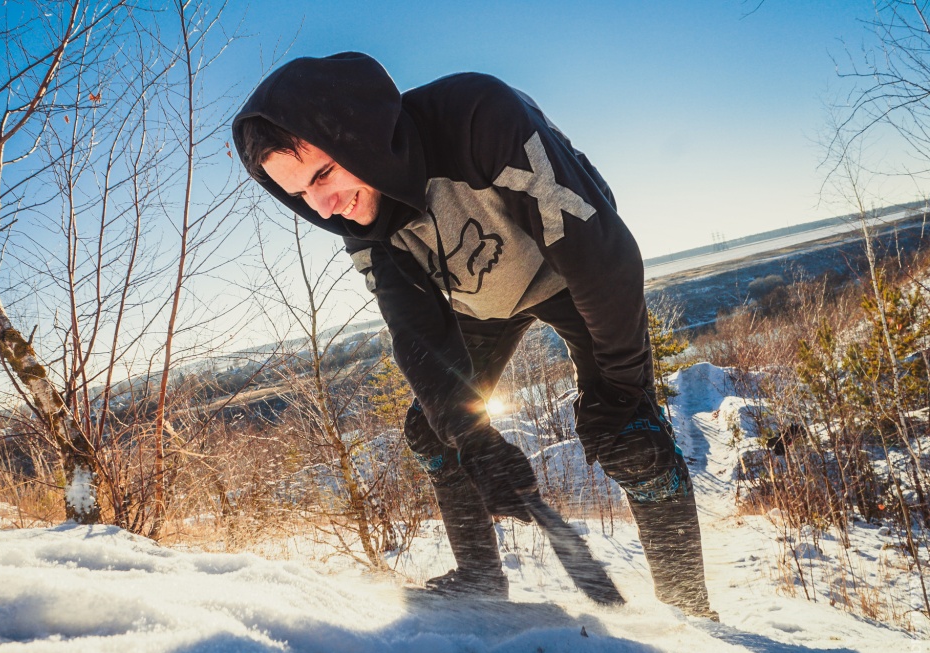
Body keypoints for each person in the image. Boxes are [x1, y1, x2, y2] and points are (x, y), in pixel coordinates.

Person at [232, 52, 715, 618]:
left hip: (571, 273)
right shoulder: (359, 218)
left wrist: (622, 390)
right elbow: (417, 332)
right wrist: (476, 441)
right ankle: (480, 581)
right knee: (437, 434)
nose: (323, 206)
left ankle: (689, 610)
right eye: (300, 195)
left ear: (362, 135)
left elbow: (601, 259)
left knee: (629, 434)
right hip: (481, 303)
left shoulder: (480, 118)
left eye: (323, 175)